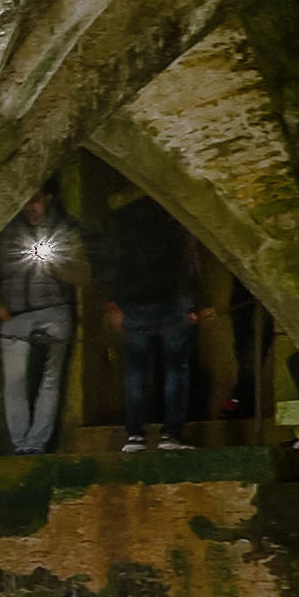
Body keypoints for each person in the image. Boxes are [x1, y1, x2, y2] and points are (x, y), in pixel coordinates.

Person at [103, 188, 197, 448]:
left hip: (135, 303)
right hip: (171, 301)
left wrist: (114, 303)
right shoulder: (177, 216)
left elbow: (112, 262)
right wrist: (193, 301)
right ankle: (171, 434)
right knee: (175, 370)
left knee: (136, 370)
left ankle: (135, 434)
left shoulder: (123, 219)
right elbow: (187, 261)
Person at [0, 185, 78, 452]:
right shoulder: (5, 234)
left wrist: (54, 266)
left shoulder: (64, 231)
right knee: (14, 382)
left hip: (54, 309)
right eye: (24, 202)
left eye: (35, 200)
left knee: (50, 379)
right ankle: (20, 443)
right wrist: (0, 309)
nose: (30, 207)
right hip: (16, 314)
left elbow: (83, 274)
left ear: (47, 199)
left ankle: (36, 443)